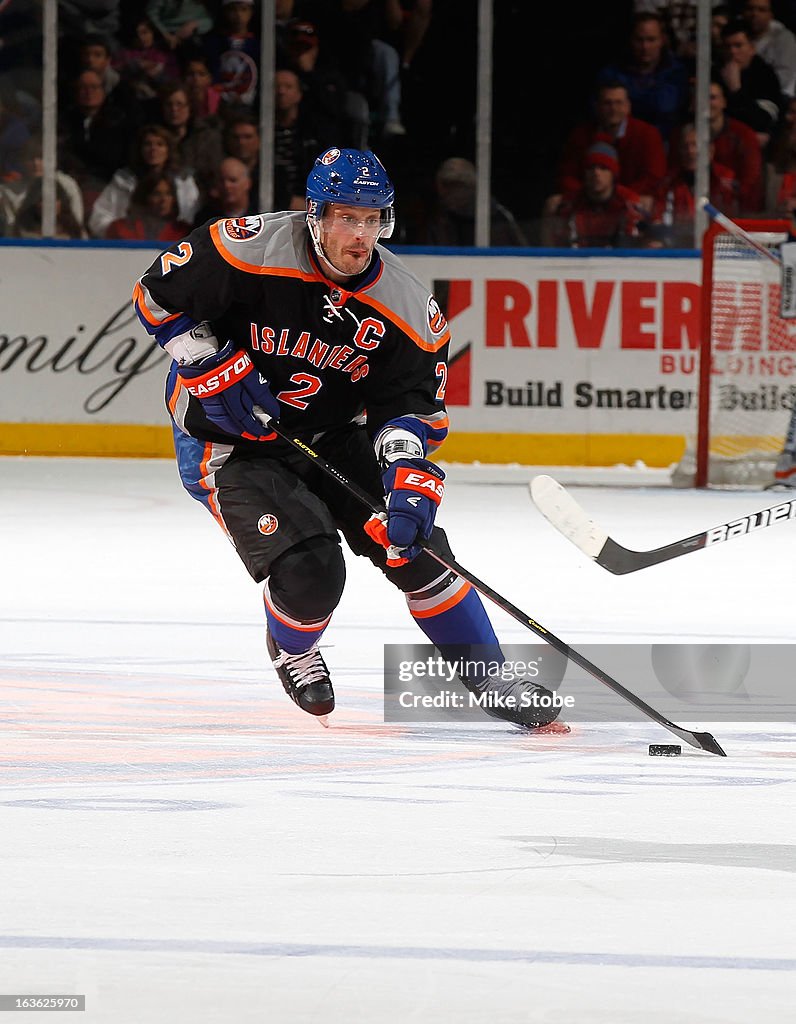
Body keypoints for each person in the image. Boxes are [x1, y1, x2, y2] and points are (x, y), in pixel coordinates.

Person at [132, 146, 563, 730]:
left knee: (422, 549)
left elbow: (408, 408)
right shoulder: (245, 246)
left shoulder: (406, 304)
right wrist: (203, 357)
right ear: (315, 215)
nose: (360, 235)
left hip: (333, 434)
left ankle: (490, 675)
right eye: (345, 217)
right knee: (312, 576)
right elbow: (156, 295)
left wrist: (407, 480)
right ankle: (293, 647)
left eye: (372, 219)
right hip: (229, 444)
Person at [555, 82, 667, 212]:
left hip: (631, 198)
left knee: (648, 202)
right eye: (607, 103)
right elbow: (567, 176)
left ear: (628, 106)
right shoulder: (580, 134)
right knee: (554, 202)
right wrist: (587, 195)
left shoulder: (648, 133)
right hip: (589, 198)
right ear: (597, 107)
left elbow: (653, 177)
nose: (613, 108)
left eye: (618, 103)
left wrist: (619, 195)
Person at [88, 122, 199, 238]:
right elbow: (100, 217)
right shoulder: (124, 180)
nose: (153, 149)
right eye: (148, 144)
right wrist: (120, 233)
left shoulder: (183, 180)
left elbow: (189, 214)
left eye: (160, 144)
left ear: (168, 149)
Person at [541, 141, 645, 248]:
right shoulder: (569, 202)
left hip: (616, 261)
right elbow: (557, 245)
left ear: (613, 175)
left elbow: (632, 243)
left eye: (603, 168)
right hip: (577, 260)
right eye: (591, 168)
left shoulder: (628, 201)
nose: (596, 173)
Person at [106, 171, 192, 240]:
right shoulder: (120, 228)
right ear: (144, 198)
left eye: (168, 194)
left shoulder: (184, 232)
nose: (163, 200)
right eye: (157, 194)